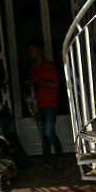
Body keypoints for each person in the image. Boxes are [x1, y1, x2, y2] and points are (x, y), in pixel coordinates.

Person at [27, 39, 63, 168]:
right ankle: (48, 161)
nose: (31, 53)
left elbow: (56, 84)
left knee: (49, 132)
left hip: (50, 104)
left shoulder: (49, 65)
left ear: (39, 50)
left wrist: (39, 83)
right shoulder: (34, 68)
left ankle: (59, 154)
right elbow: (33, 90)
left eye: (32, 50)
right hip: (39, 105)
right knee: (43, 136)